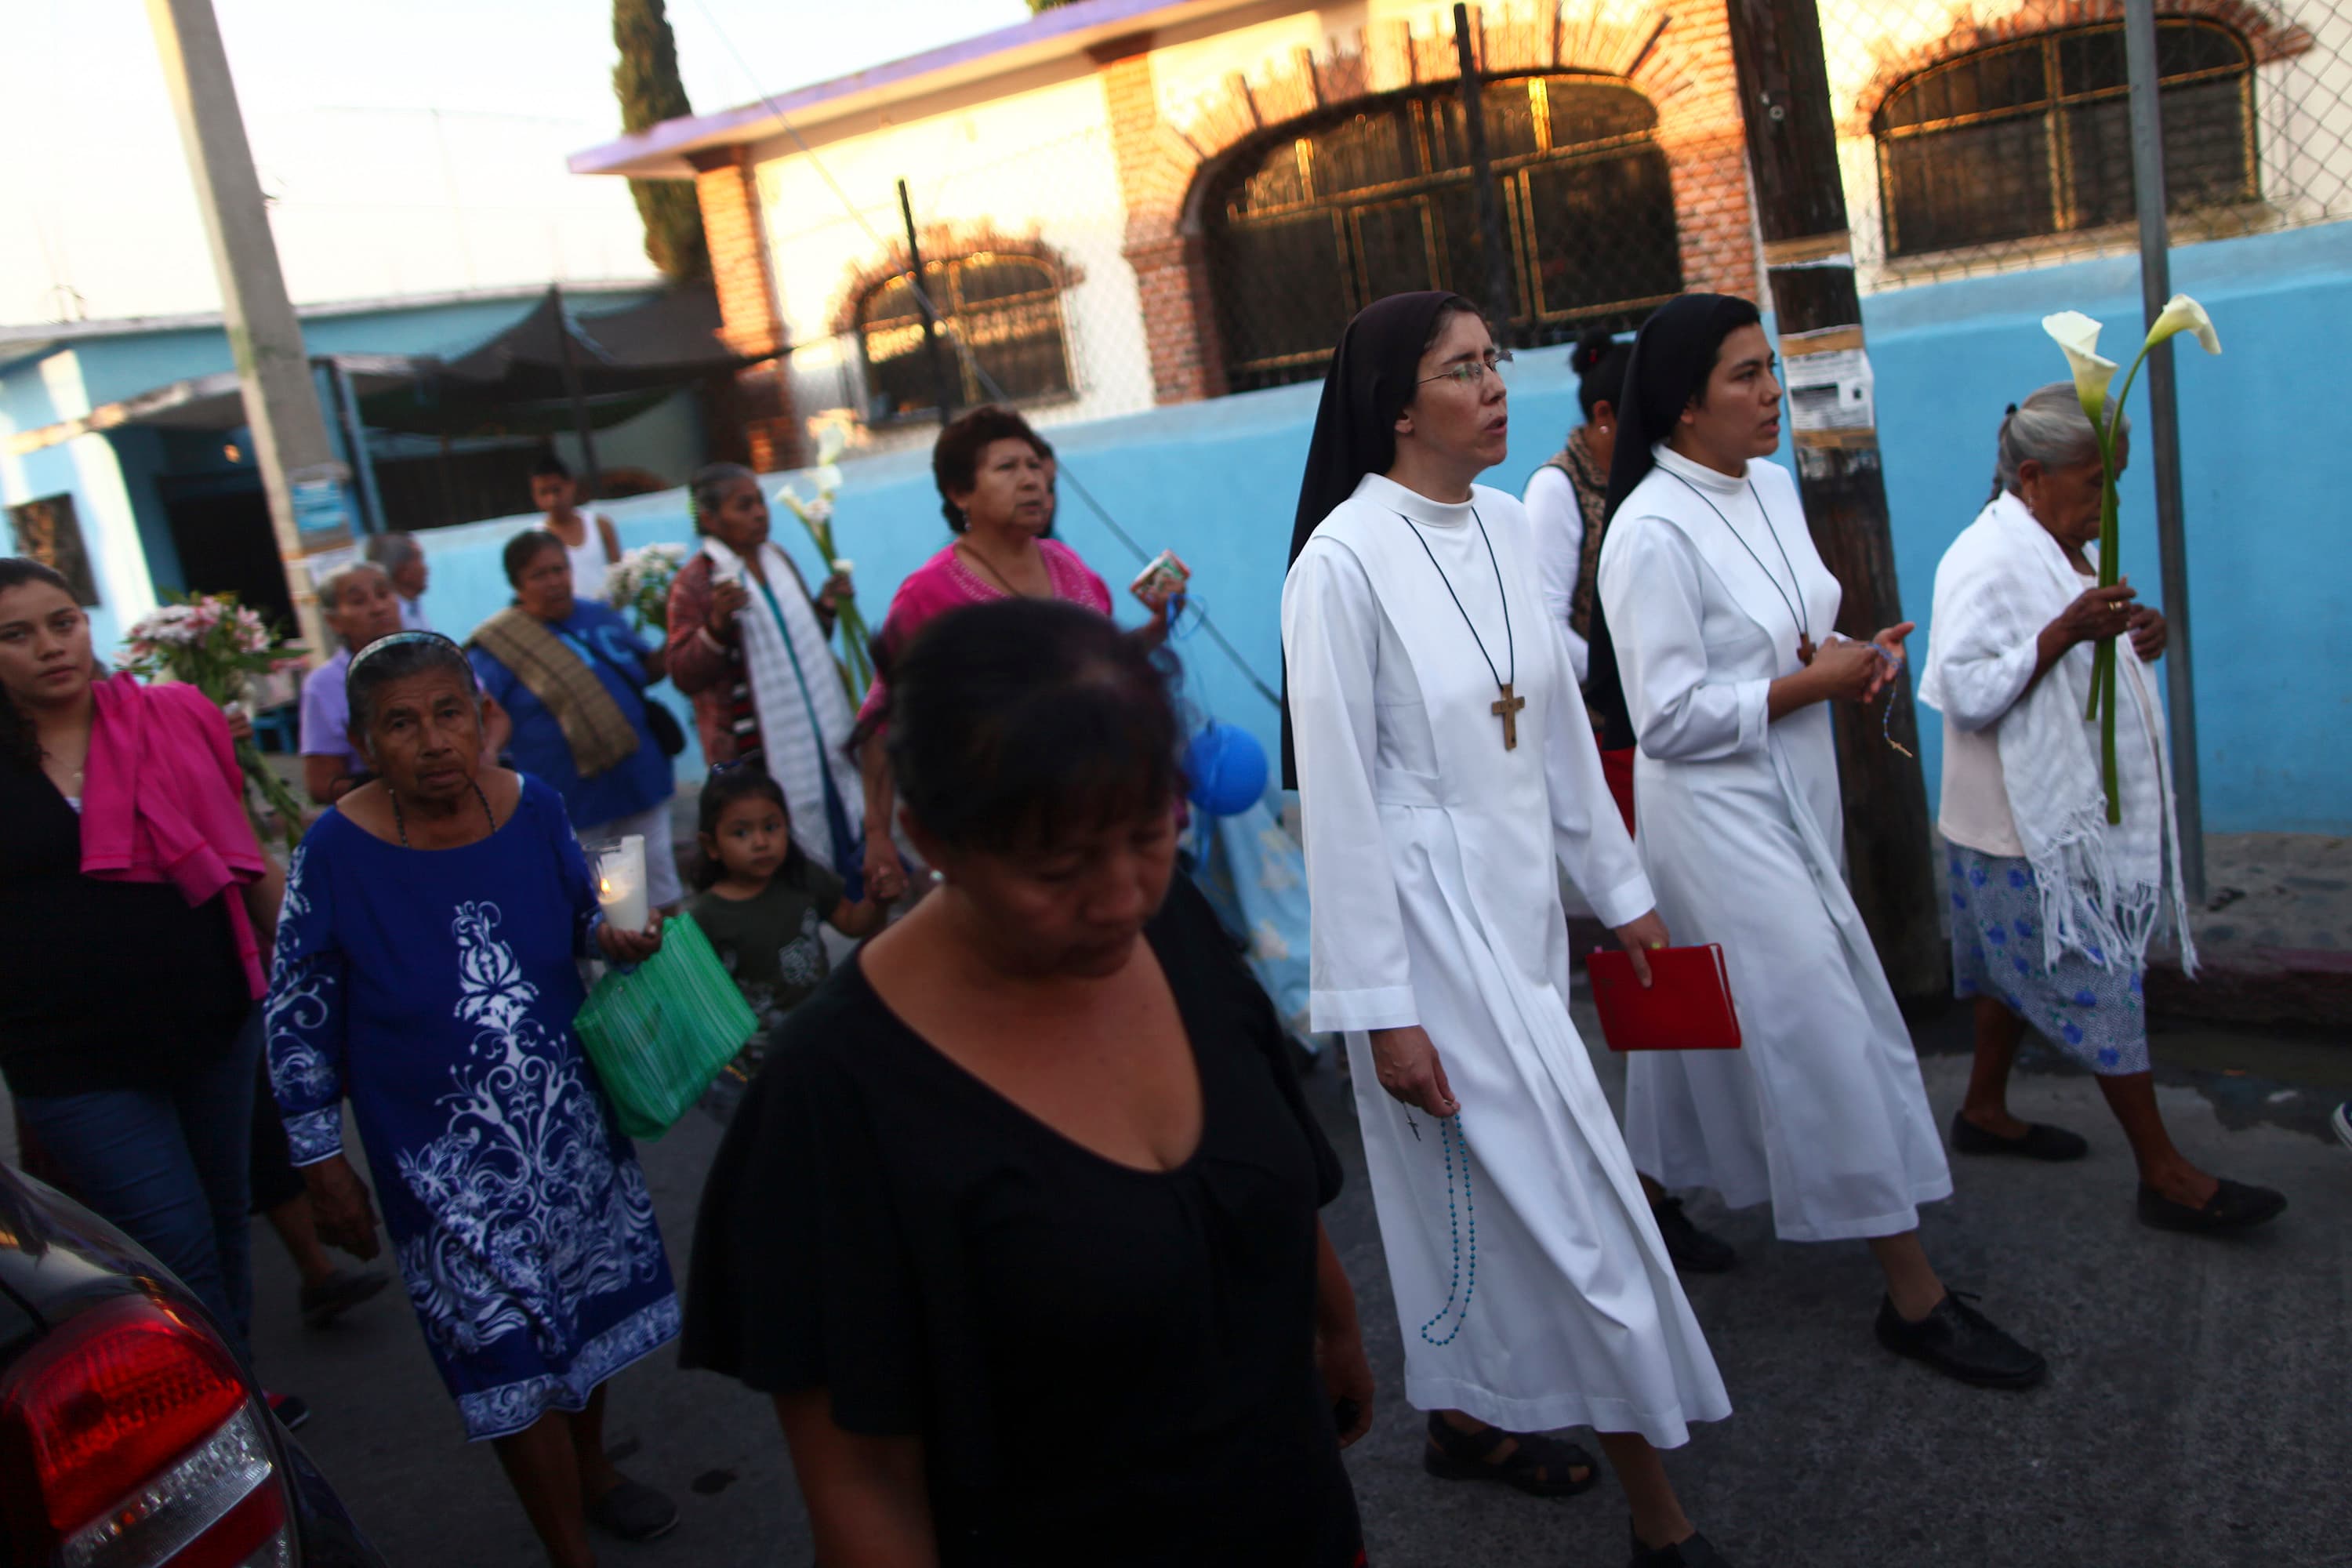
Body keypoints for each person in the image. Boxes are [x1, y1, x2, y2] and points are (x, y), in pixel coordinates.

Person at [684, 599, 1371, 1565]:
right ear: (931, 837)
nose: (1121, 895)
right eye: (1057, 867)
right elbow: (862, 1482)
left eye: (1144, 835)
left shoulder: (1171, 929)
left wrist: (1335, 1322)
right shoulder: (836, 1096)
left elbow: (1264, 1168)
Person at [1282, 292, 1730, 1568]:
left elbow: (1556, 734)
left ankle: (1473, 1413)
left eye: (1496, 363)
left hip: (1522, 906)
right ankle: (1662, 1516)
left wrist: (1624, 891)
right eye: (1461, 368)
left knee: (1484, 1201)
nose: (1493, 386)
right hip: (1427, 929)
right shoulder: (1341, 565)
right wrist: (1382, 1010)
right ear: (1396, 405)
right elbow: (1341, 805)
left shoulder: (1501, 526)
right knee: (1570, 1206)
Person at [1595, 292, 2044, 1389]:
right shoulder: (1648, 530)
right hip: (1712, 813)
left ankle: (1649, 1196)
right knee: (1822, 1023)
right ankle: (1913, 1293)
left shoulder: (1776, 487)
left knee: (1730, 1024)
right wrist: (1810, 682)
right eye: (1746, 376)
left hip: (1793, 787)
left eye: (1770, 371)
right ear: (1685, 403)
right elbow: (1664, 719)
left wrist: (1847, 654)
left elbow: (1786, 632)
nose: (1772, 395)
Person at [265, 630, 679, 1566]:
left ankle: (595, 1471)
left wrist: (616, 932)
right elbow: (296, 1013)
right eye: (400, 724)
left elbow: (584, 907)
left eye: (449, 712)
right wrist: (320, 1159)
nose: (433, 740)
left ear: (480, 715)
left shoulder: (533, 804)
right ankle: (567, 1545)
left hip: (567, 1121)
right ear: (367, 743)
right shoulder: (333, 850)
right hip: (439, 1157)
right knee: (501, 1345)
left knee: (579, 1306)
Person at [1918, 383, 2285, 1232]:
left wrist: (2134, 633)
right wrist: (2063, 634)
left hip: (2026, 819)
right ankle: (2164, 1172)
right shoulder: (1983, 558)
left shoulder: (2053, 541)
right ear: (2036, 476)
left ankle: (1982, 1109)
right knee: (2102, 988)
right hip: (2020, 830)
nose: (2108, 503)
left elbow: (2085, 647)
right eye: (2097, 484)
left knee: (2010, 981)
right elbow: (1965, 687)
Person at [0, 557, 287, 1393]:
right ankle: (224, 1407)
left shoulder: (170, 717)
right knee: (174, 1242)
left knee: (227, 1221)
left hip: (212, 1020)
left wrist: (320, 968)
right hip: (73, 1057)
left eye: (64, 621)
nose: (51, 646)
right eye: (17, 634)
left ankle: (239, 1389)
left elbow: (242, 849)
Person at [855, 405, 1178, 906]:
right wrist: (876, 834)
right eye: (1007, 468)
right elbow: (880, 720)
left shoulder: (1070, 567)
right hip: (1006, 833)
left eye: (1034, 467)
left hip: (1100, 813)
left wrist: (1154, 630)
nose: (1031, 482)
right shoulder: (929, 593)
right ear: (960, 492)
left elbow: (1093, 674)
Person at [664, 463, 864, 894]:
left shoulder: (778, 560)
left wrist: (826, 606)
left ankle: (846, 904)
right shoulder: (696, 583)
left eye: (759, 502)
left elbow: (803, 645)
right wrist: (717, 624)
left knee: (842, 828)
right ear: (711, 520)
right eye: (744, 506)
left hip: (820, 739)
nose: (760, 513)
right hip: (757, 754)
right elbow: (682, 671)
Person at [470, 528, 682, 912]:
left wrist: (675, 630)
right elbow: (480, 712)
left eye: (559, 569)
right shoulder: (501, 645)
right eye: (539, 575)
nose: (554, 582)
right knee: (609, 912)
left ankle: (679, 970)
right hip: (576, 803)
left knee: (663, 897)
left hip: (639, 781)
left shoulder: (599, 615)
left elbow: (643, 671)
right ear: (518, 585)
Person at [688, 762, 890, 1120]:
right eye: (742, 833)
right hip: (759, 1065)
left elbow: (852, 923)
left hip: (825, 1038)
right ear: (712, 845)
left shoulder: (803, 879)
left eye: (771, 827)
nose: (762, 842)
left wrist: (877, 901)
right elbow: (697, 999)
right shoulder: (707, 916)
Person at [1524, 325, 1632, 690]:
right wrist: (1626, 680)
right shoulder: (1558, 487)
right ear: (1604, 415)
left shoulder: (1646, 476)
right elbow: (1547, 622)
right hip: (1602, 716)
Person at [299, 561, 406, 804]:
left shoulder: (436, 657)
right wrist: (399, 790)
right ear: (333, 621)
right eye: (359, 601)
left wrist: (485, 754)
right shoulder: (324, 684)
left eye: (383, 594)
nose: (378, 608)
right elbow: (322, 785)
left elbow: (494, 716)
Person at [532, 455, 622, 604]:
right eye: (544, 493)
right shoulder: (536, 539)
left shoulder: (600, 526)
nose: (552, 500)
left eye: (557, 490)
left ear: (571, 485)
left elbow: (621, 578)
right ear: (535, 496)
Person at [365, 531, 432, 629]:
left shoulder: (413, 607)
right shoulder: (385, 618)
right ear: (403, 571)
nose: (426, 569)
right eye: (419, 560)